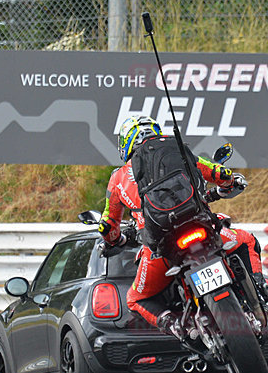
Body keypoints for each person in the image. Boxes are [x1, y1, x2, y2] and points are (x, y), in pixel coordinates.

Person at [98, 115, 256, 338]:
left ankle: (178, 326)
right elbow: (220, 173)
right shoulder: (178, 151)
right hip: (202, 228)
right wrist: (229, 183)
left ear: (127, 142)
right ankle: (262, 298)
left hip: (160, 250)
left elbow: (108, 225)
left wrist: (114, 240)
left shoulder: (118, 179)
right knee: (246, 240)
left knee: (135, 299)